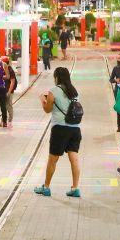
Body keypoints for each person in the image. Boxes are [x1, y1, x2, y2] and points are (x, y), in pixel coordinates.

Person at [34, 66, 82, 197]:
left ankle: (46, 187)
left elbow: (47, 110)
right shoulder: (74, 91)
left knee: (52, 160)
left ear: (56, 77)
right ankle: (75, 188)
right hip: (75, 128)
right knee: (74, 159)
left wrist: (43, 100)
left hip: (60, 129)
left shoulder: (53, 91)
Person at [4, 56, 18, 128]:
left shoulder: (10, 70)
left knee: (9, 106)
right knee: (4, 106)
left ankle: (9, 121)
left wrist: (9, 92)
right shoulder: (5, 69)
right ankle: (3, 121)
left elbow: (12, 82)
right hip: (4, 91)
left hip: (9, 91)